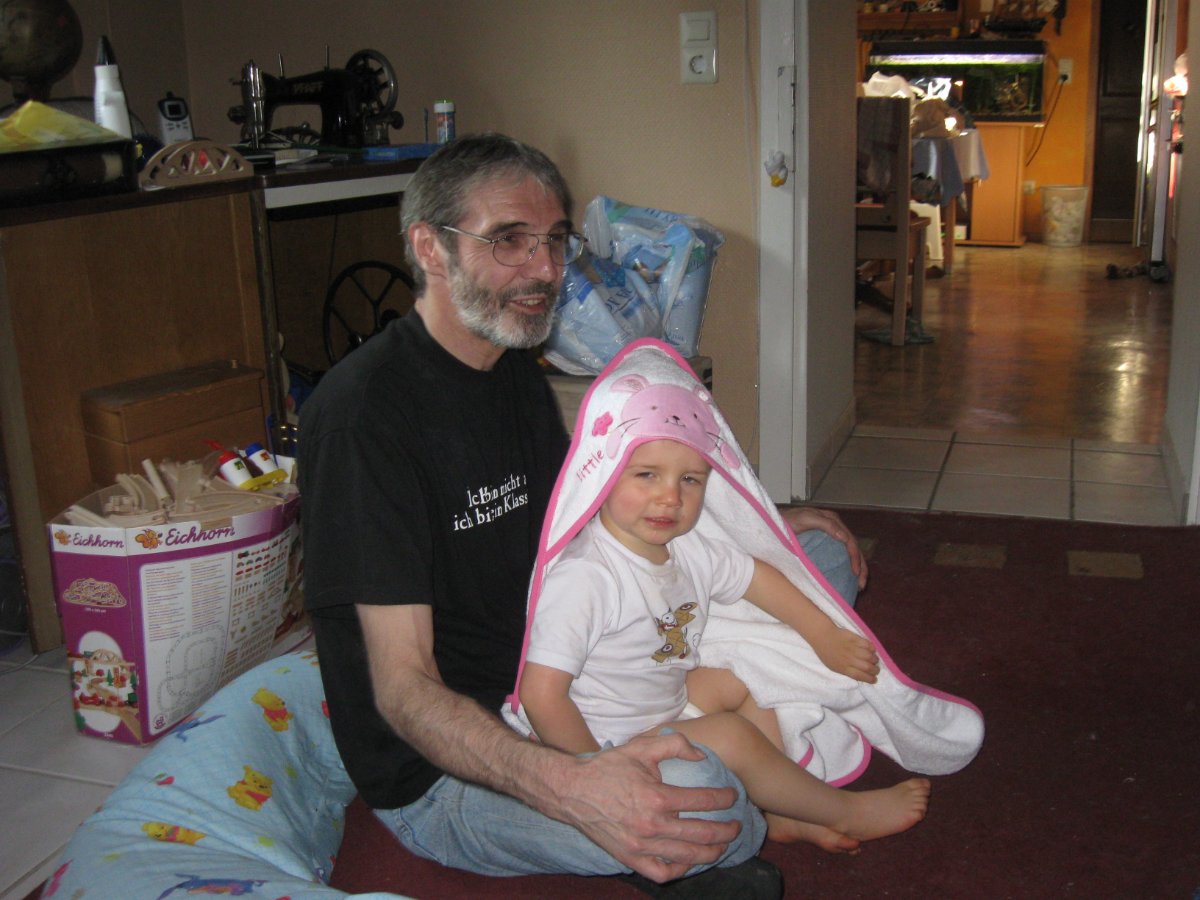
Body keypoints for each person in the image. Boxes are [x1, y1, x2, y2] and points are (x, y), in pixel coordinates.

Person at [298, 131, 866, 896]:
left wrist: (765, 524)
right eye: (509, 240)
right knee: (704, 795)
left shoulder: (510, 370)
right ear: (430, 248)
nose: (545, 270)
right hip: (458, 764)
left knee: (815, 568)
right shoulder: (362, 419)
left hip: (584, 661)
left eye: (556, 241)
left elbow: (595, 510)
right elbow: (404, 690)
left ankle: (725, 795)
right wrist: (577, 784)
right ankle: (738, 798)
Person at [515, 436, 931, 855]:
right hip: (604, 740)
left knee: (752, 673)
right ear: (600, 478)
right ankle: (842, 811)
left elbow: (753, 577)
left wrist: (822, 634)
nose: (670, 497)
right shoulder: (585, 576)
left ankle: (784, 808)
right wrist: (599, 778)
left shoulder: (687, 546)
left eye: (690, 479)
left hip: (660, 704)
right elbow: (541, 695)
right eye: (647, 475)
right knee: (732, 735)